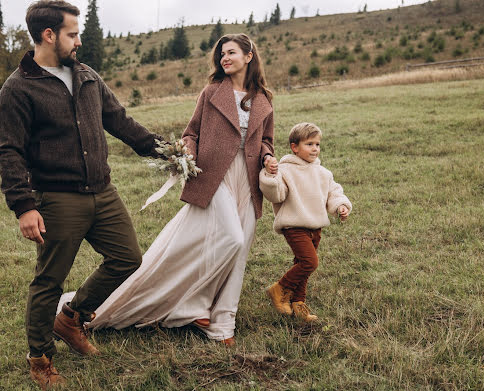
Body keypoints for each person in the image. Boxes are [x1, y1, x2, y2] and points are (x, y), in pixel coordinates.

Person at [0, 1, 167, 388]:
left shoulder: (87, 75)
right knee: (48, 281)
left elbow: (120, 121)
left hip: (102, 192)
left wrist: (166, 151)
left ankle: (71, 318)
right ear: (49, 35)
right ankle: (39, 357)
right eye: (72, 33)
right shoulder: (18, 89)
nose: (79, 40)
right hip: (57, 199)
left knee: (127, 258)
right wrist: (24, 206)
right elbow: (8, 151)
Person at [69, 33, 277, 347]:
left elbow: (266, 142)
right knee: (232, 239)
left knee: (240, 252)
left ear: (249, 56)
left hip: (247, 179)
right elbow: (191, 132)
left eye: (231, 52)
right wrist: (186, 153)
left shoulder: (263, 98)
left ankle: (222, 325)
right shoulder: (211, 93)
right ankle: (192, 306)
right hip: (212, 175)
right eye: (221, 54)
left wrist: (269, 157)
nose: (224, 58)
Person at [259, 122, 352, 322]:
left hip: (315, 228)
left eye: (317, 144)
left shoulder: (323, 173)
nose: (315, 149)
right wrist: (270, 174)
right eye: (309, 144)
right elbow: (276, 195)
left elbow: (333, 192)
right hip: (294, 226)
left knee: (302, 266)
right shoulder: (286, 169)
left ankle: (298, 304)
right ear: (295, 147)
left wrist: (340, 206)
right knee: (310, 262)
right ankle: (279, 289)